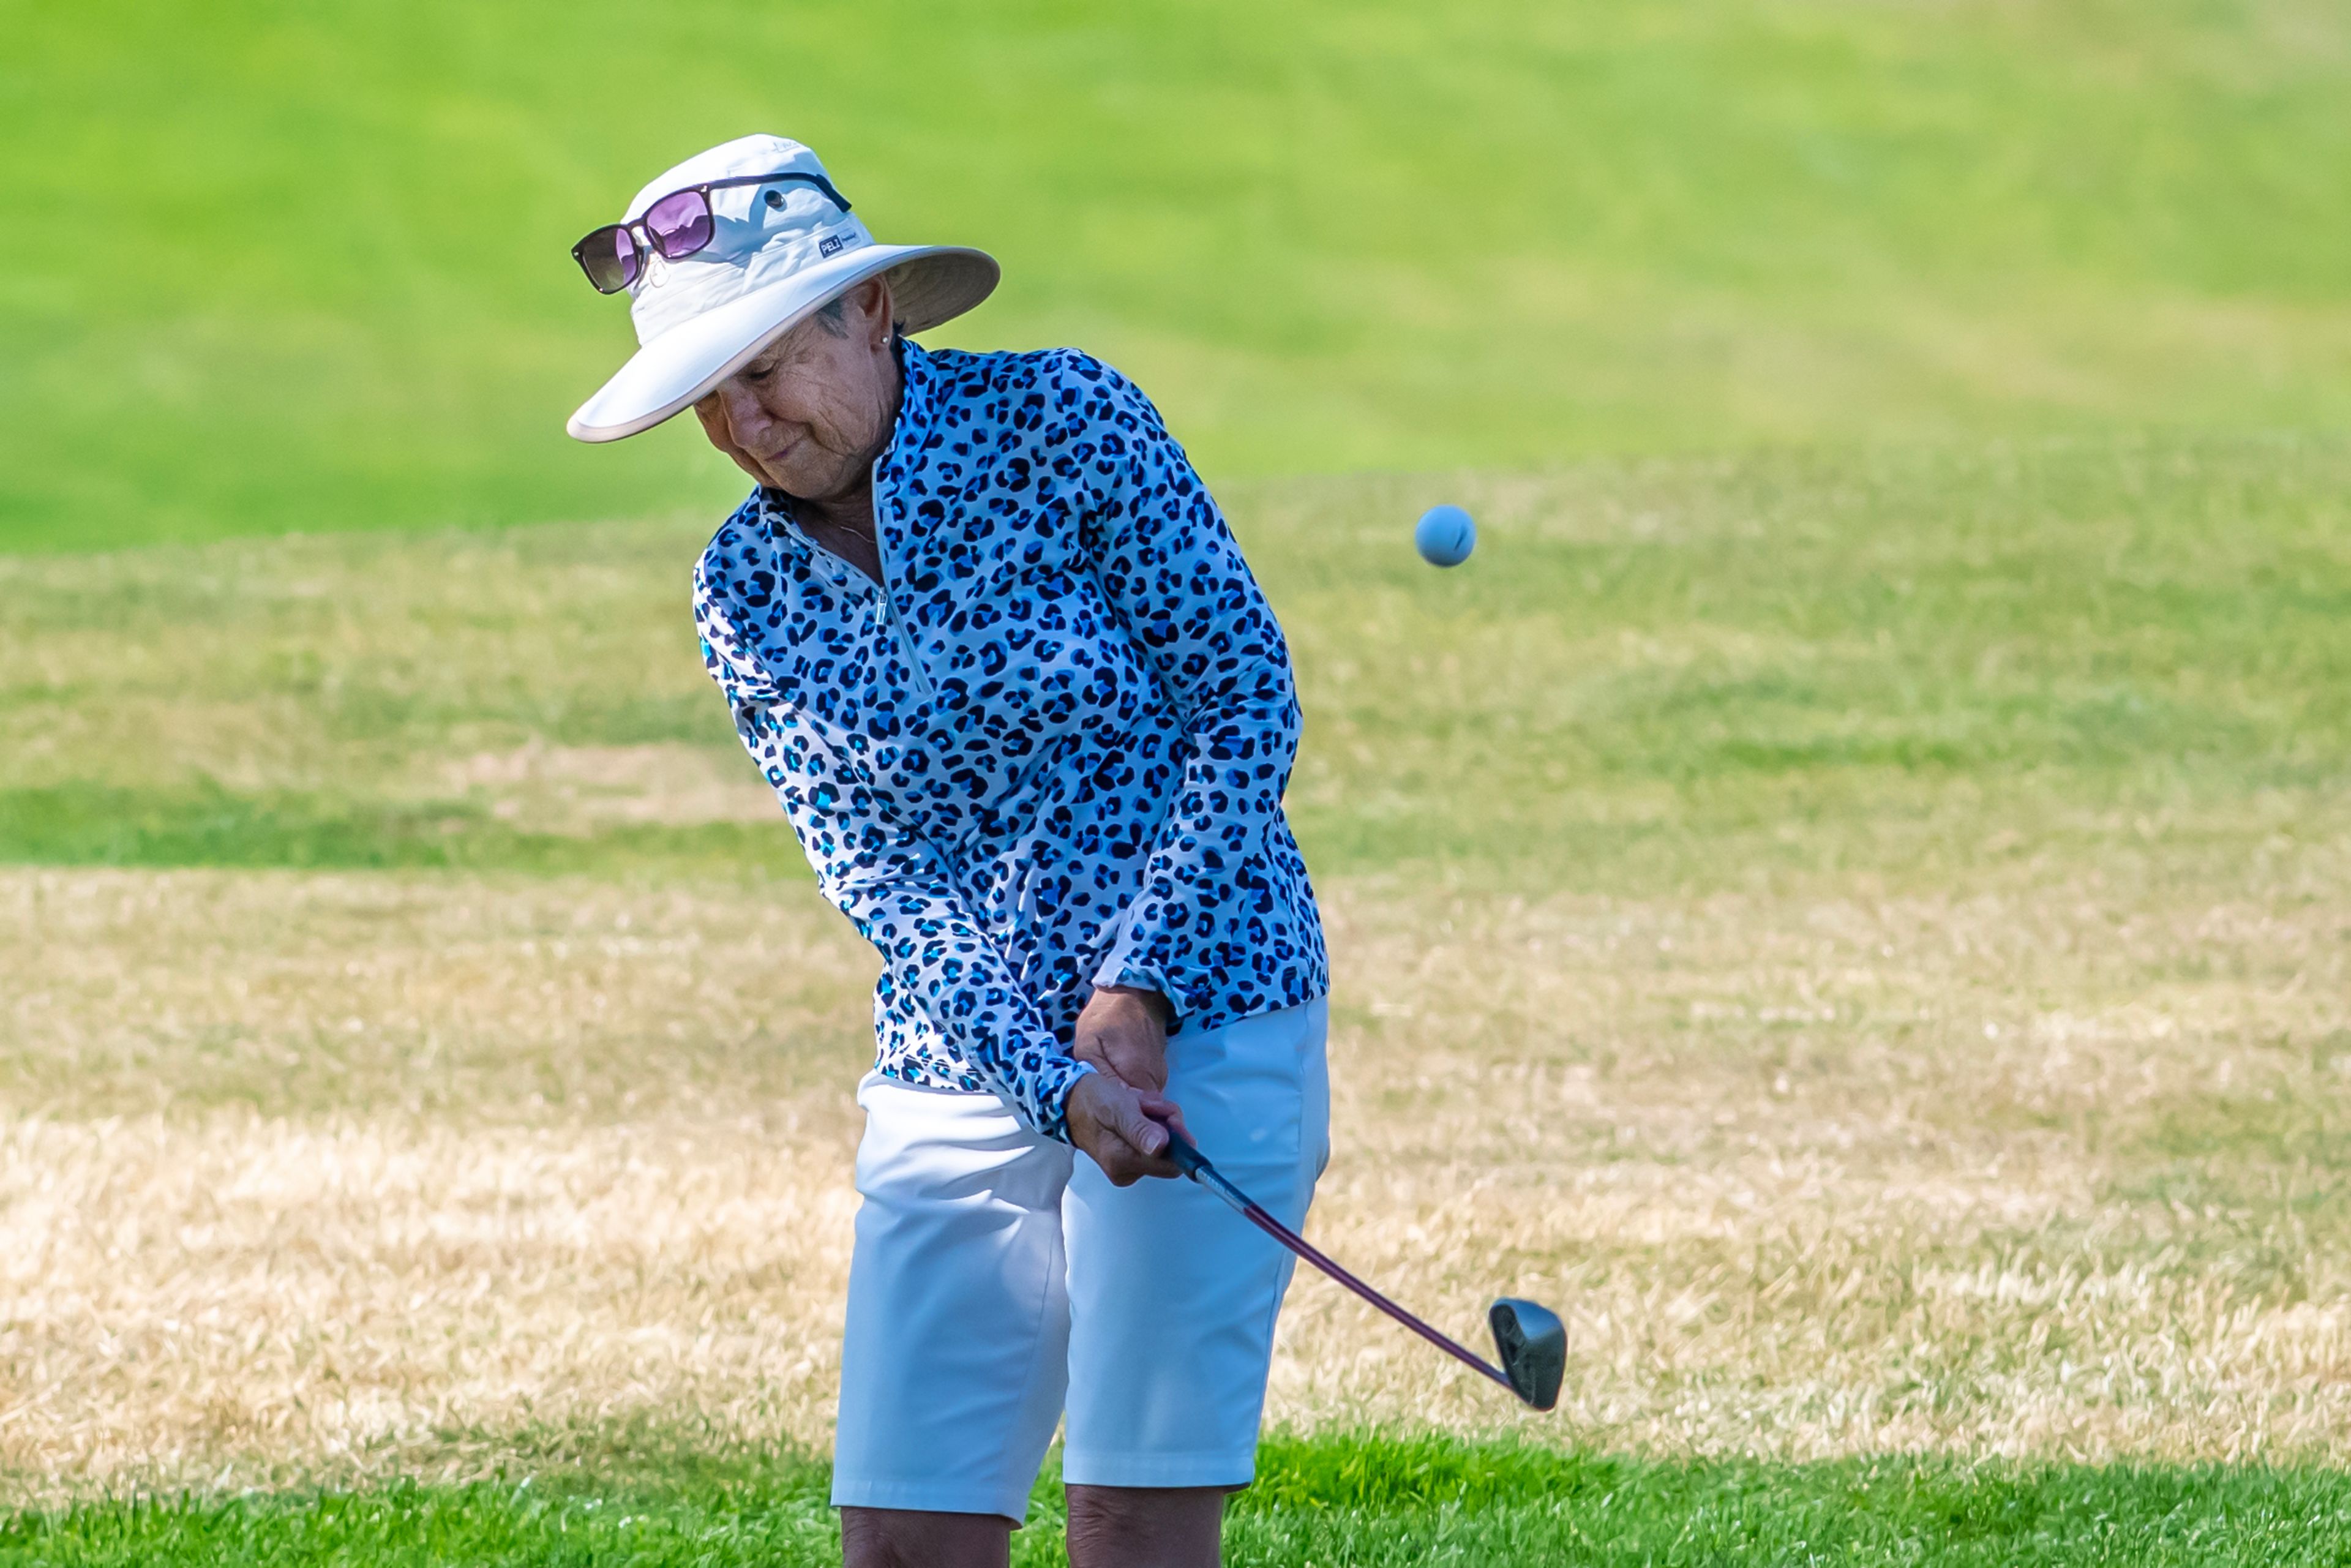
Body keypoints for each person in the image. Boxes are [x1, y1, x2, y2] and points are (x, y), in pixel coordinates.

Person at [566, 135, 1330, 1568]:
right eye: (707, 398)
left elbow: (1243, 700)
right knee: (903, 1528)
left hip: (1212, 1012)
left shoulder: (1067, 419)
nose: (743, 423)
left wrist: (1140, 988)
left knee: (1126, 1516)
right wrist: (1045, 1075)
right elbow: (881, 878)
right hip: (961, 1061)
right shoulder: (741, 586)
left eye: (766, 368)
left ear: (871, 312)